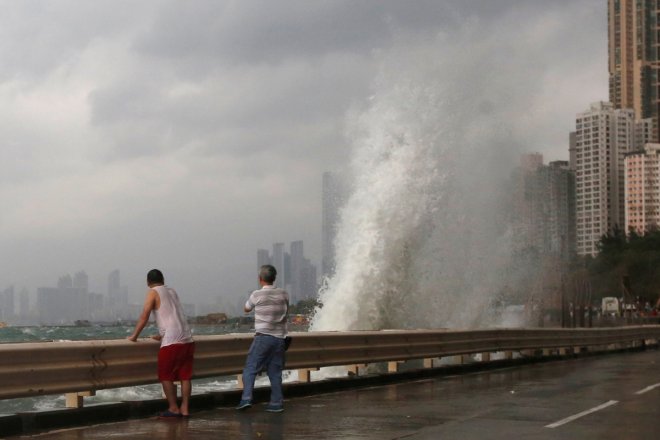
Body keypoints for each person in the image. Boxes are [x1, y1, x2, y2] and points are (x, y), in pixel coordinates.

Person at [127, 269, 195, 418]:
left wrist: (134, 336)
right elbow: (172, 315)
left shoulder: (152, 292)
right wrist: (161, 334)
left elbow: (144, 316)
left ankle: (173, 408)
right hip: (187, 339)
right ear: (163, 279)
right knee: (185, 376)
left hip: (172, 342)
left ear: (148, 282)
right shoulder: (172, 291)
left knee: (165, 375)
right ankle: (185, 408)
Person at [236, 264, 289, 413]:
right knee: (275, 372)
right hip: (280, 339)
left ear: (260, 279)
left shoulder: (256, 295)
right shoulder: (284, 294)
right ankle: (276, 403)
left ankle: (246, 399)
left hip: (263, 337)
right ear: (274, 278)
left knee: (250, 368)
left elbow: (246, 308)